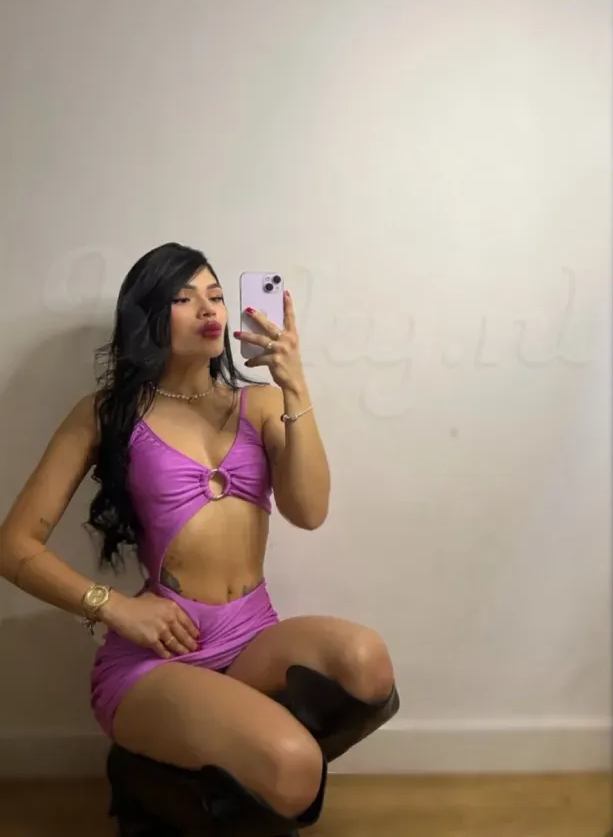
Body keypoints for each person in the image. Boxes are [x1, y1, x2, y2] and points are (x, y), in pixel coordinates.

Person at [0, 242, 398, 836]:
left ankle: (209, 770)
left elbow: (309, 511)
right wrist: (115, 608)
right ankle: (182, 773)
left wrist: (294, 385)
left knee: (368, 663)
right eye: (183, 298)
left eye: (215, 295)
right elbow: (14, 546)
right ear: (146, 317)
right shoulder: (107, 414)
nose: (208, 308)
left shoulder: (261, 403)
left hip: (252, 635)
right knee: (294, 767)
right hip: (160, 653)